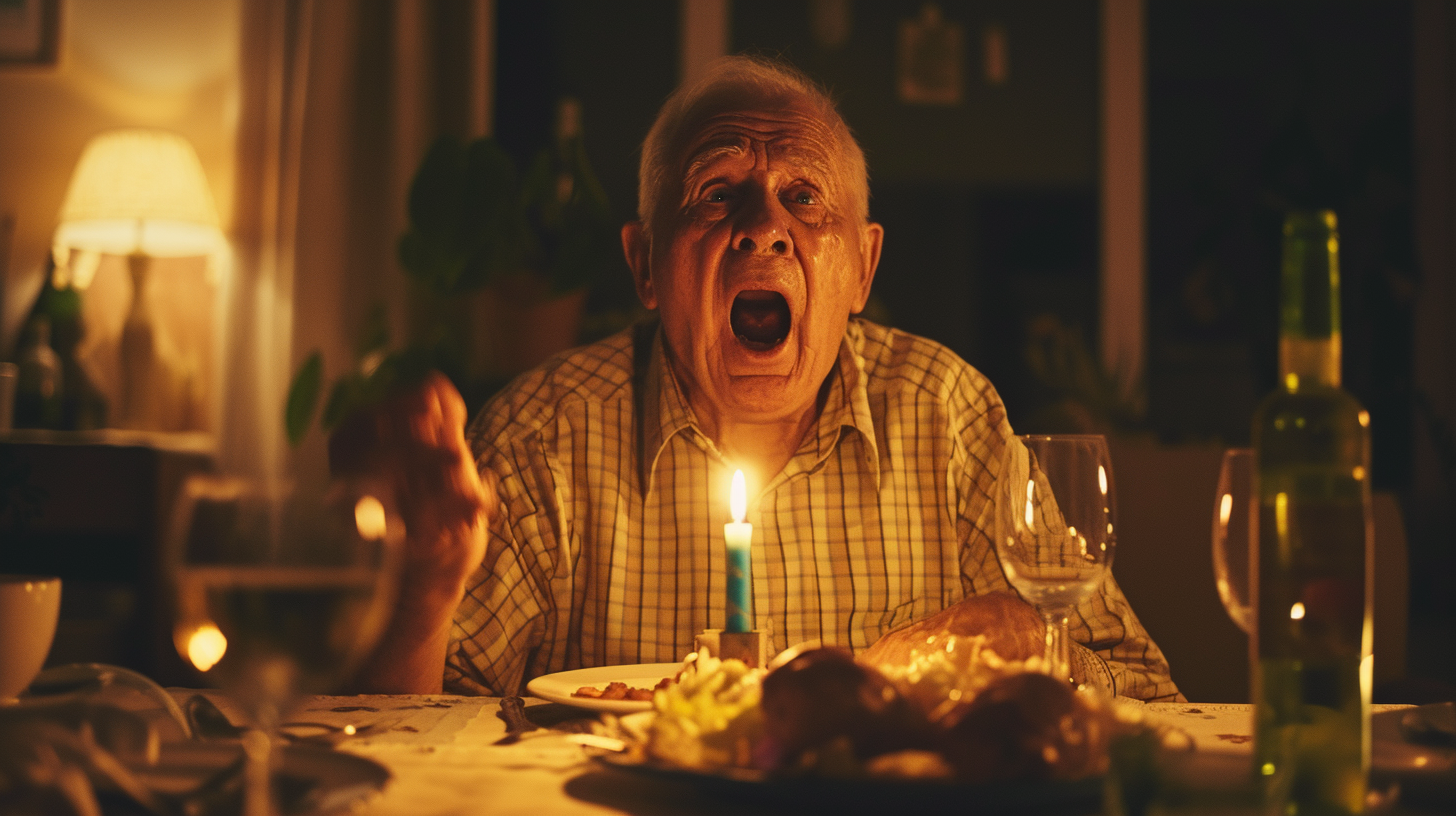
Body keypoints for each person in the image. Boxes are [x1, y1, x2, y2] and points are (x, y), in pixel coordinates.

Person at [352, 56, 1181, 702]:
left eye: (804, 197)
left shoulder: (948, 415)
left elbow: (1143, 689)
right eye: (717, 194)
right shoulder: (543, 439)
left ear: (862, 268)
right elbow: (414, 745)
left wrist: (1034, 646)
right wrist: (422, 594)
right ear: (644, 263)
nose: (764, 230)